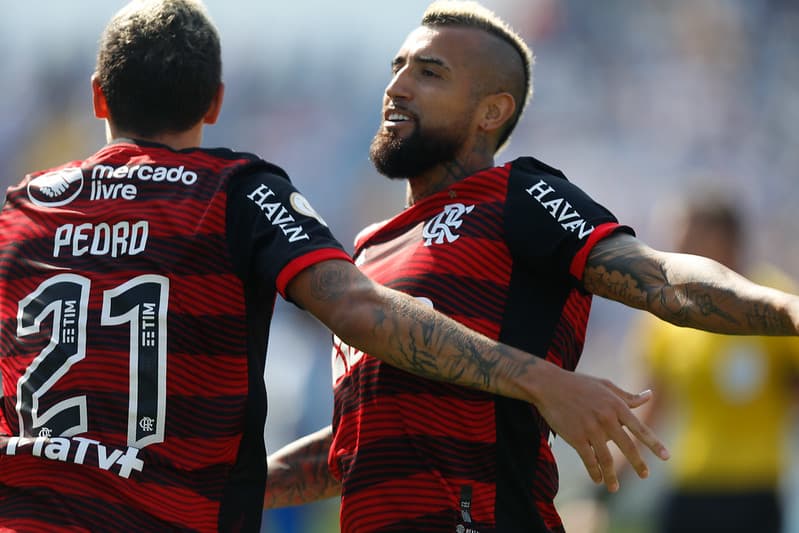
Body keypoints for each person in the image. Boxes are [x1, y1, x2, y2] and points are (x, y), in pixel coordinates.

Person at [0, 1, 669, 531]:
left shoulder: (19, 210)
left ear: (99, 97)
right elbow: (360, 308)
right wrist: (540, 379)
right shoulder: (239, 193)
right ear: (214, 102)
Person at [263, 2, 799, 532]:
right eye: (397, 67)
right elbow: (358, 436)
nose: (397, 87)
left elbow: (660, 278)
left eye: (429, 73)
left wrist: (789, 310)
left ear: (491, 112)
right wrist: (229, 483)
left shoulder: (517, 196)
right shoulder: (369, 250)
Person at [614, 193, 799, 533]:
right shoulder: (666, 312)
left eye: (685, 234)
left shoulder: (775, 303)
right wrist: (605, 491)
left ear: (721, 237)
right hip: (690, 488)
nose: (674, 247)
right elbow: (651, 407)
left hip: (756, 492)